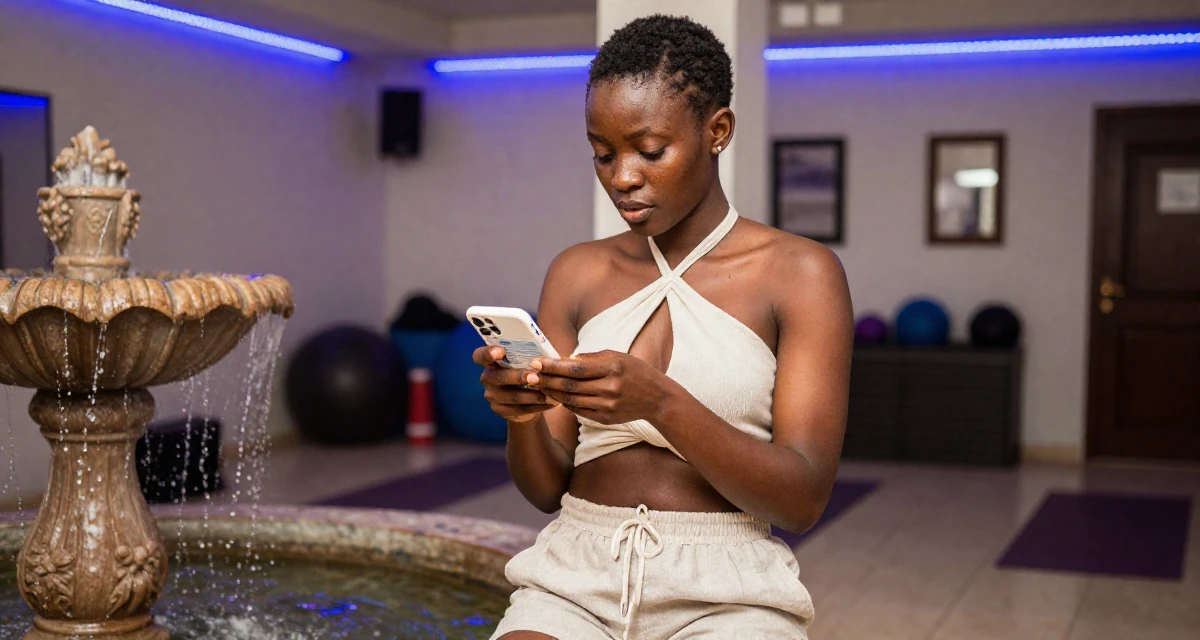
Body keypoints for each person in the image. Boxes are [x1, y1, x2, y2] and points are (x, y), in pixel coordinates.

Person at [474, 14, 853, 640]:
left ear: (718, 130)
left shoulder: (801, 273)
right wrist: (521, 419)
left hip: (729, 589)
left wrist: (660, 402)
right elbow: (545, 488)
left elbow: (802, 498)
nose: (622, 177)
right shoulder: (577, 272)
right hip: (575, 574)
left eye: (650, 151)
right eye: (603, 153)